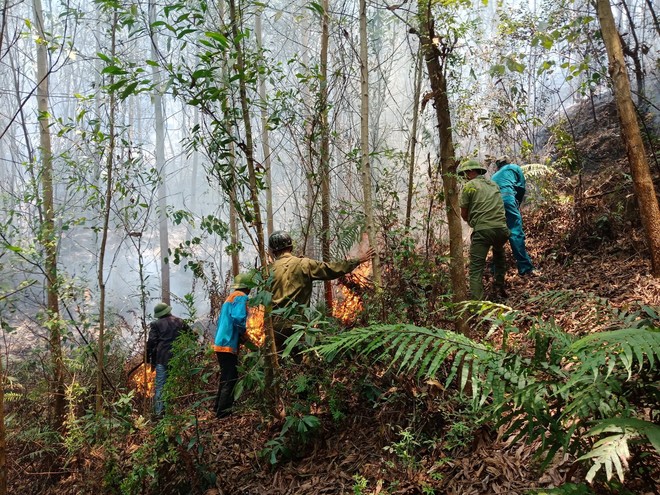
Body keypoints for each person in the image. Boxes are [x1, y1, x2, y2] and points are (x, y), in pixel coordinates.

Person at [268, 230, 375, 354]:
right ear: (290, 247)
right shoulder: (304, 264)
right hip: (298, 327)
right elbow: (331, 269)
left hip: (275, 328)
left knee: (280, 364)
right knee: (300, 363)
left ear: (273, 251)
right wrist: (357, 260)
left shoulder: (268, 271)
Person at [458, 159, 510, 301]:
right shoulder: (493, 185)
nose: (463, 177)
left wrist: (474, 221)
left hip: (483, 231)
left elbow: (463, 214)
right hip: (501, 229)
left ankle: (478, 305)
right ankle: (499, 287)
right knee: (499, 256)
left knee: (475, 269)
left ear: (470, 172)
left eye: (464, 174)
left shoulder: (469, 186)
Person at [213, 273, 251, 419]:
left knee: (225, 377)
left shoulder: (230, 298)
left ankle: (218, 407)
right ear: (247, 287)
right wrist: (244, 334)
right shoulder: (241, 296)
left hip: (220, 342)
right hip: (228, 343)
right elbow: (238, 318)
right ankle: (223, 412)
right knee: (230, 378)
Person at [491, 156, 535, 276]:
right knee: (515, 233)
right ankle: (525, 268)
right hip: (508, 199)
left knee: (498, 236)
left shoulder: (493, 177)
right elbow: (520, 188)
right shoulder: (514, 168)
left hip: (494, 205)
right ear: (508, 162)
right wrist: (517, 205)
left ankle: (495, 270)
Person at [146, 302, 189, 416]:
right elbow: (191, 336)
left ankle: (160, 413)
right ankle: (176, 412)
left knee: (161, 386)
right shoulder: (180, 322)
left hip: (162, 359)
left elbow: (151, 343)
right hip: (178, 359)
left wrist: (148, 358)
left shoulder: (155, 324)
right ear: (168, 310)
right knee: (176, 385)